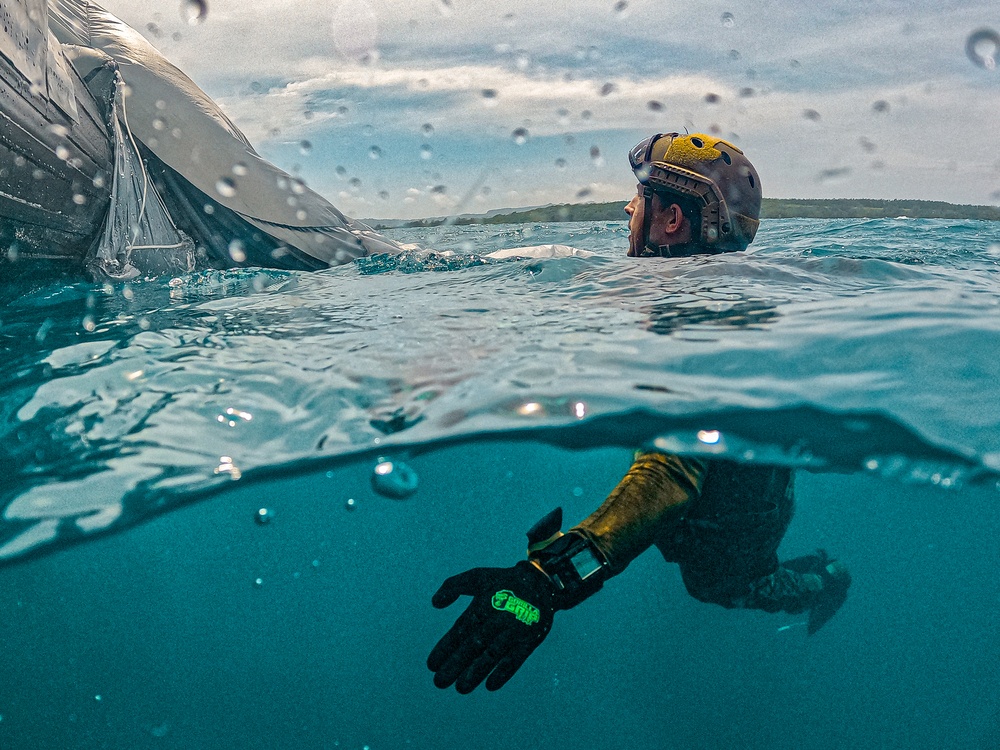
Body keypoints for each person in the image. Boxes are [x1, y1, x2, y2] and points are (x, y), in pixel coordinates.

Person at [427, 132, 852, 695]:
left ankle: (828, 579)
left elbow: (670, 470)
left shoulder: (694, 324)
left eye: (639, 196)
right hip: (716, 500)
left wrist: (550, 576)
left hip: (733, 530)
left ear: (672, 218)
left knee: (721, 589)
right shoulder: (696, 293)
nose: (629, 208)